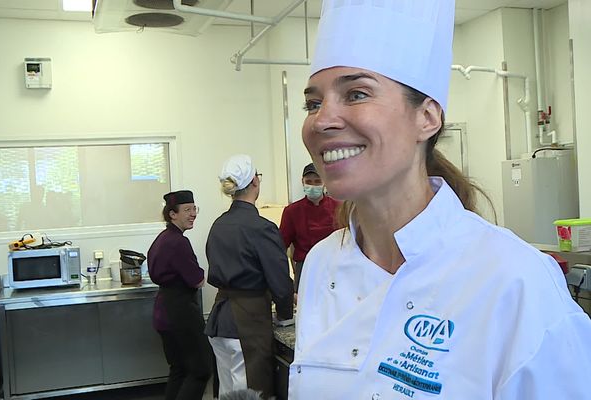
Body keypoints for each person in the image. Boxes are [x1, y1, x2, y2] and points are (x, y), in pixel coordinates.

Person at [289, 1, 591, 399]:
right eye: (313, 103)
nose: (321, 120)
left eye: (357, 93)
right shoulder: (322, 263)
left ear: (427, 118)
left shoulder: (514, 281)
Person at [205, 154, 294, 399]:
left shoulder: (218, 224)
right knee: (250, 393)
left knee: (228, 393)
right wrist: (286, 316)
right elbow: (280, 283)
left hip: (219, 321)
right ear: (255, 181)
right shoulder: (261, 227)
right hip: (246, 323)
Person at [147, 190, 212, 400]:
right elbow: (198, 280)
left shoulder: (162, 239)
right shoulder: (177, 242)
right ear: (172, 214)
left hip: (164, 312)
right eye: (187, 210)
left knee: (179, 369)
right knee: (201, 369)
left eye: (194, 209)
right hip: (180, 312)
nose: (193, 214)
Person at [279, 162, 340, 291]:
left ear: (325, 181)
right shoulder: (292, 211)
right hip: (305, 268)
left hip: (334, 267)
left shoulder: (338, 208)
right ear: (302, 182)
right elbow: (280, 246)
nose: (313, 185)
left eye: (317, 181)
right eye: (309, 181)